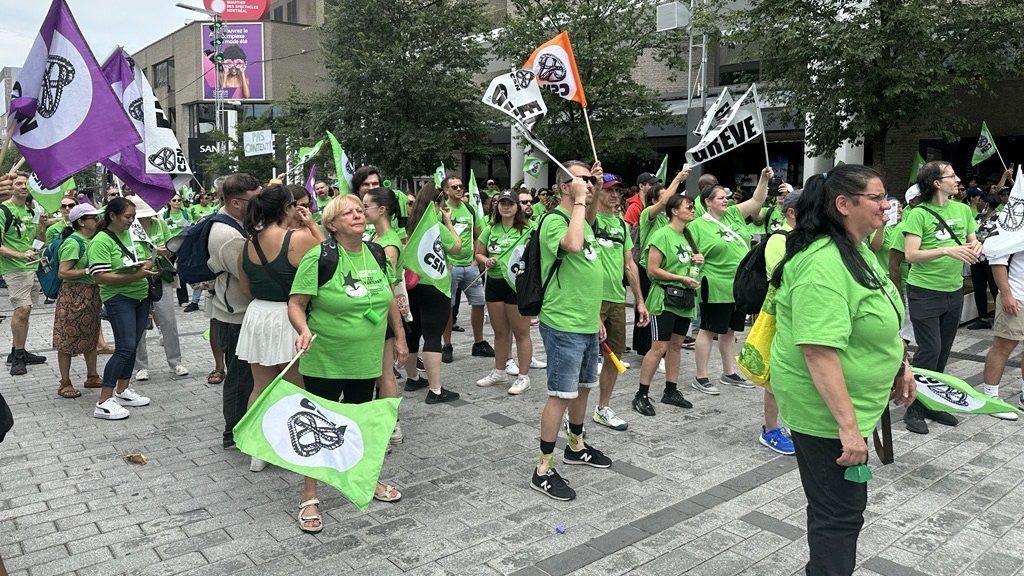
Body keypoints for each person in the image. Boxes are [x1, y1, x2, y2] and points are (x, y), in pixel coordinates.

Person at [770, 164, 915, 576]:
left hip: (853, 406)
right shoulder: (822, 265)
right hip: (824, 415)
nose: (887, 206)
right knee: (840, 515)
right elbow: (819, 352)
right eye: (877, 197)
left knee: (841, 510)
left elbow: (879, 320)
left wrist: (901, 365)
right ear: (843, 204)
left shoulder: (859, 248)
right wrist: (848, 429)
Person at [289, 195, 405, 531]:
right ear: (332, 224)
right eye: (347, 212)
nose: (357, 215)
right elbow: (296, 304)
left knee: (359, 423)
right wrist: (303, 329)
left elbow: (388, 299)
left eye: (359, 210)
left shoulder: (377, 252)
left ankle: (366, 480)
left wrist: (399, 336)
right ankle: (309, 496)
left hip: (366, 359)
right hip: (326, 359)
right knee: (315, 426)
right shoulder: (320, 257)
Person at [531, 160, 612, 502]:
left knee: (583, 387)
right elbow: (573, 246)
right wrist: (580, 200)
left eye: (592, 180)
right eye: (581, 180)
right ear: (564, 186)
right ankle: (542, 469)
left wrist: (595, 317)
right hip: (563, 323)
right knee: (560, 394)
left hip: (585, 321)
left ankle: (576, 446)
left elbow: (586, 259)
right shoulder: (553, 221)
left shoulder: (583, 218)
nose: (590, 185)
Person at [236, 185, 322, 471]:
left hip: (258, 314)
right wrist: (311, 225)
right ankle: (296, 444)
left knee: (259, 385)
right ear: (287, 209)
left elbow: (245, 288)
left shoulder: (248, 243)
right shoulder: (298, 238)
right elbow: (330, 257)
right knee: (295, 385)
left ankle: (256, 450)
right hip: (289, 314)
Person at [902, 161, 981, 434]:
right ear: (936, 183)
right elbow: (911, 255)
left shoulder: (962, 209)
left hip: (954, 290)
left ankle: (932, 402)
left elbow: (972, 240)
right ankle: (913, 408)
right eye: (952, 175)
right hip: (924, 291)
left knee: (944, 351)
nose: (958, 179)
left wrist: (976, 245)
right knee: (930, 350)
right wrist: (947, 251)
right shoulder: (918, 214)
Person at [687, 167, 772, 395]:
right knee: (707, 329)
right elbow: (689, 257)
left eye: (726, 197)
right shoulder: (696, 226)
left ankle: (729, 372)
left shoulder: (734, 214)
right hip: (714, 285)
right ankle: (701, 376)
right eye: (721, 198)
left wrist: (763, 178)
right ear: (708, 202)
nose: (726, 200)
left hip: (737, 286)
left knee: (731, 331)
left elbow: (756, 201)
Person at [86, 197, 157, 420]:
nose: (131, 221)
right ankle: (104, 400)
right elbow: (100, 277)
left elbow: (146, 256)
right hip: (119, 298)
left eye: (133, 217)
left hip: (140, 295)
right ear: (112, 216)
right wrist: (136, 274)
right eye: (127, 217)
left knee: (133, 345)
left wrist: (146, 264)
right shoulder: (100, 241)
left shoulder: (132, 233)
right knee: (124, 348)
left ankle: (123, 389)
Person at [633, 193, 700, 417]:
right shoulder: (662, 235)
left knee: (676, 345)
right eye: (688, 206)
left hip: (684, 299)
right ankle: (641, 394)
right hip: (664, 299)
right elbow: (652, 270)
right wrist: (680, 278)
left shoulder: (688, 235)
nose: (692, 209)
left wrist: (696, 262)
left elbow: (684, 265)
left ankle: (670, 390)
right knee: (658, 347)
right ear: (674, 210)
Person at [592, 174, 649, 430]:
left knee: (613, 357)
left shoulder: (620, 224)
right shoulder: (588, 221)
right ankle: (573, 413)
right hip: (590, 299)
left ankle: (602, 407)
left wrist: (639, 301)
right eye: (609, 190)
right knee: (583, 359)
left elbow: (629, 264)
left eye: (618, 190)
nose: (615, 195)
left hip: (616, 298)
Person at [210, 173, 260, 449]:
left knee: (245, 375)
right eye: (255, 200)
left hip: (236, 312)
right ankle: (234, 432)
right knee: (240, 378)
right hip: (236, 316)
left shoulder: (236, 225)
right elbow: (246, 280)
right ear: (237, 203)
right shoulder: (228, 235)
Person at [474, 190, 536, 394]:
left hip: (517, 286)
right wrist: (486, 261)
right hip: (494, 283)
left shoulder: (529, 229)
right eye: (502, 203)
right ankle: (499, 371)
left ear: (518, 206)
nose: (506, 207)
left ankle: (523, 377)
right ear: (496, 206)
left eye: (510, 203)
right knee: (500, 332)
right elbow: (479, 253)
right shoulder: (490, 229)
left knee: (521, 332)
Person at [362, 186, 409, 442]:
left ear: (381, 210)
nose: (361, 210)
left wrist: (398, 330)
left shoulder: (388, 243)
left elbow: (387, 288)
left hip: (382, 313)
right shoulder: (373, 236)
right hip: (371, 312)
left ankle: (392, 424)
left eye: (365, 206)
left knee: (385, 373)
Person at [125, 196, 189, 382]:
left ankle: (175, 361)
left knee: (168, 320)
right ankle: (141, 366)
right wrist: (153, 251)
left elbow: (172, 247)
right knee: (139, 324)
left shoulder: (160, 224)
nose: (144, 219)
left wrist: (166, 250)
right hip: (139, 278)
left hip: (161, 277)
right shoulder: (128, 230)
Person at [758, 190, 800, 456]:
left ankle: (794, 424)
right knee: (776, 377)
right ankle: (771, 429)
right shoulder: (779, 239)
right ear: (793, 213)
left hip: (802, 316)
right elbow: (779, 278)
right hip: (782, 316)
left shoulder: (805, 239)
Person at [439, 175, 494, 363]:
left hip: (470, 265)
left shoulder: (469, 208)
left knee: (479, 303)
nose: (459, 189)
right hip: (450, 266)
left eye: (461, 186)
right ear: (445, 190)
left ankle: (478, 343)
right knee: (448, 306)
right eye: (454, 187)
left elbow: (478, 234)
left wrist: (476, 258)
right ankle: (446, 345)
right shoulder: (441, 210)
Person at [53, 204, 103, 398]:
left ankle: (92, 375)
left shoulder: (91, 239)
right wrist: (88, 270)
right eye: (93, 218)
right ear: (81, 222)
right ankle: (64, 382)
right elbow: (63, 272)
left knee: (91, 335)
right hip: (73, 295)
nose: (97, 221)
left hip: (91, 293)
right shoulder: (74, 242)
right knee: (66, 338)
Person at [1, 172, 48, 375]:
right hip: (14, 268)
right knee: (23, 309)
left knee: (25, 312)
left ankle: (18, 350)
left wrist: (42, 229)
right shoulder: (3, 210)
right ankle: (18, 357)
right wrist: (20, 255)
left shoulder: (30, 211)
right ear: (11, 187)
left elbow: (36, 242)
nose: (21, 186)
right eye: (17, 183)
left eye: (24, 184)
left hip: (31, 267)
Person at [979, 242, 1024, 421]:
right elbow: (997, 257)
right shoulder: (1016, 219)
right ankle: (990, 398)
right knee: (1003, 347)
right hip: (1017, 295)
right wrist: (1006, 294)